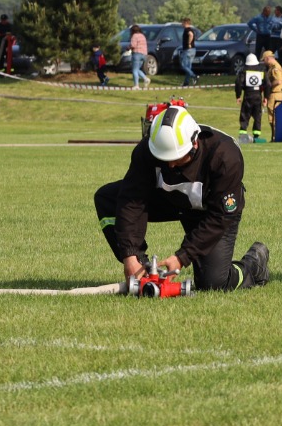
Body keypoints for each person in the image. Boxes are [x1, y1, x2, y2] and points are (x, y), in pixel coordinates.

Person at [93, 103, 270, 293]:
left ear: (194, 144)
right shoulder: (149, 148)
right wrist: (130, 255)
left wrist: (182, 256)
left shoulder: (225, 156)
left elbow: (220, 217)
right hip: (171, 201)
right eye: (165, 158)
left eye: (176, 158)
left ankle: (253, 265)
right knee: (107, 198)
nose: (170, 165)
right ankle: (143, 271)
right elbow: (132, 200)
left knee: (213, 283)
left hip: (211, 212)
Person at [236, 52, 266, 142]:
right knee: (257, 116)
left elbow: (238, 84)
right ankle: (256, 136)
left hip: (248, 96)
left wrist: (238, 96)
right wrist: (266, 97)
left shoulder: (243, 71)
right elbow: (267, 84)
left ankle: (243, 135)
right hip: (258, 96)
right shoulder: (261, 70)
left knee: (245, 115)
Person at [261, 50, 282, 140]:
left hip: (275, 94)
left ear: (267, 58)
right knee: (272, 117)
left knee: (273, 117)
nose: (264, 62)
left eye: (264, 60)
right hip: (274, 94)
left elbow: (278, 81)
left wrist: (269, 86)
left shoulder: (275, 68)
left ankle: (275, 137)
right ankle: (273, 136)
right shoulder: (272, 67)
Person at [178, 18, 198, 87]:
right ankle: (186, 82)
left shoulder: (187, 30)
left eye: (182, 22)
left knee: (184, 65)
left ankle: (194, 76)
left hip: (188, 50)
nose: (181, 24)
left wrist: (189, 43)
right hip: (193, 50)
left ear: (186, 23)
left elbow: (191, 35)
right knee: (188, 67)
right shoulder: (191, 29)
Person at [128, 24, 149, 89]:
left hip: (137, 54)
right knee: (137, 69)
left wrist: (128, 48)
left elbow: (133, 45)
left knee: (134, 70)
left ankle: (136, 85)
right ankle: (146, 79)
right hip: (144, 54)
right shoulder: (142, 36)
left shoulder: (134, 36)